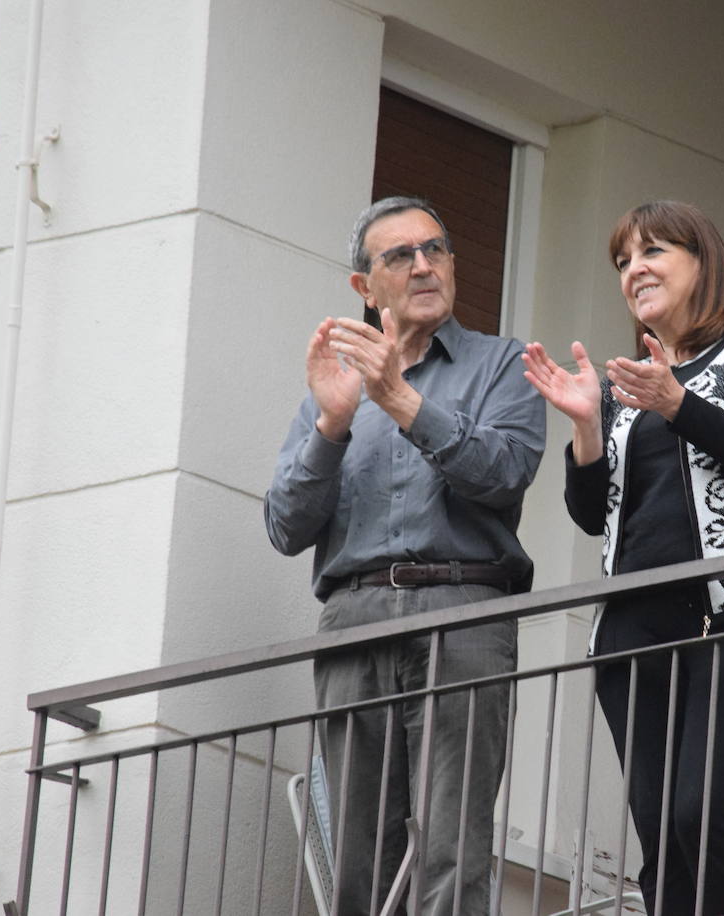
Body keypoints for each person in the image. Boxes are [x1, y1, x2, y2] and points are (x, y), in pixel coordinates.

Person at [522, 200, 724, 914]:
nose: (634, 270)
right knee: (664, 839)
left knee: (700, 814)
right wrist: (590, 429)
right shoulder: (631, 384)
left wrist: (678, 403)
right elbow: (595, 515)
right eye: (623, 260)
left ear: (702, 260)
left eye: (653, 251)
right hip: (635, 634)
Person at [265, 196, 545, 915]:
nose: (425, 266)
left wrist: (399, 400)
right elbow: (286, 527)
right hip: (354, 620)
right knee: (356, 854)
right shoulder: (336, 383)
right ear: (364, 286)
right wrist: (331, 422)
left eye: (436, 250)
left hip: (464, 608)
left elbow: (505, 471)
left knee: (453, 837)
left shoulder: (503, 364)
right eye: (401, 256)